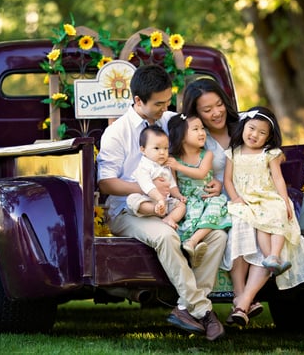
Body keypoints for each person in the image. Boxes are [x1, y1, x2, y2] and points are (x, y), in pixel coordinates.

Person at [97, 64, 226, 341]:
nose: (164, 108)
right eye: (158, 104)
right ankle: (203, 310)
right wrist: (147, 188)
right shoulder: (117, 132)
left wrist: (214, 180)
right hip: (129, 209)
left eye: (168, 101)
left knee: (216, 235)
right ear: (138, 101)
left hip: (171, 205)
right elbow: (106, 183)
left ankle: (184, 308)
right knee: (167, 237)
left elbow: (199, 149)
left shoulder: (170, 121)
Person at [181, 77, 268, 326]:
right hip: (218, 199)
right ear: (195, 112)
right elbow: (189, 168)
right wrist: (215, 182)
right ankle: (244, 300)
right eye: (207, 110)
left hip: (253, 194)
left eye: (219, 104)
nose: (216, 113)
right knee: (241, 223)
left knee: (264, 226)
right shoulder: (196, 135)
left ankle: (243, 298)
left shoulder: (244, 125)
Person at [222, 106, 304, 326]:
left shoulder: (269, 154)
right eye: (251, 129)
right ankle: (246, 294)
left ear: (269, 137)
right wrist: (235, 198)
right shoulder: (233, 152)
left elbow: (279, 179)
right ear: (243, 127)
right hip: (244, 201)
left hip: (266, 197)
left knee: (273, 216)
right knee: (243, 225)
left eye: (262, 133)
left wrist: (284, 200)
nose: (254, 135)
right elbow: (228, 180)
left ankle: (272, 256)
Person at [166, 114, 231, 268]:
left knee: (214, 210)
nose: (202, 132)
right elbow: (172, 184)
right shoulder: (174, 158)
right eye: (196, 129)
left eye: (202, 128)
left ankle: (193, 241)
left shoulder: (206, 155)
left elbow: (202, 173)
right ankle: (190, 250)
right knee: (189, 220)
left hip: (206, 196)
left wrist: (179, 166)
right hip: (189, 199)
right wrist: (179, 197)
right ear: (181, 136)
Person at [126, 125, 186, 226]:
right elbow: (147, 186)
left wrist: (179, 196)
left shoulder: (166, 167)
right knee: (132, 200)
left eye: (166, 148)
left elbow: (171, 185)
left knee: (181, 206)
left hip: (163, 202)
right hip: (145, 199)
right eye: (156, 148)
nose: (162, 152)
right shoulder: (144, 167)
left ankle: (169, 218)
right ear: (143, 150)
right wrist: (159, 199)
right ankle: (155, 210)